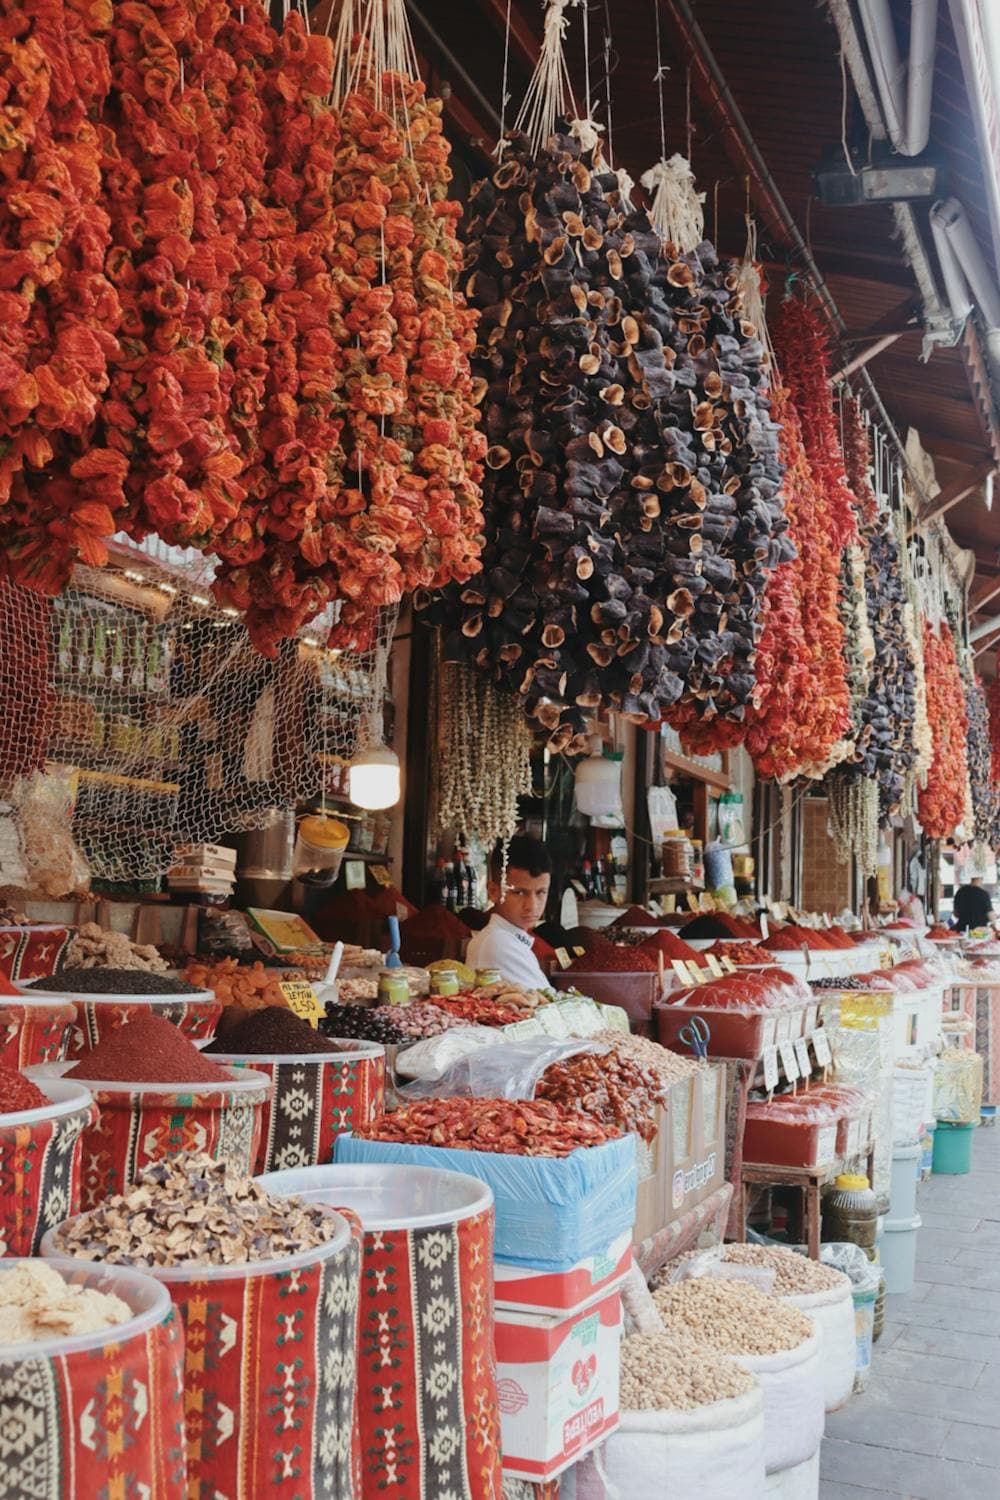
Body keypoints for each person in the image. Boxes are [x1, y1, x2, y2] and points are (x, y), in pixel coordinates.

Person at [465, 833, 552, 989]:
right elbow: (546, 1001)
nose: (532, 906)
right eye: (519, 892)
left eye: (541, 892)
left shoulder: (510, 939)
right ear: (493, 891)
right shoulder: (498, 943)